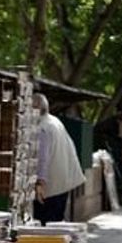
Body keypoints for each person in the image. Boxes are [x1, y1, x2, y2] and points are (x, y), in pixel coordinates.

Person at [33, 93, 86, 224]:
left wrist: (40, 183)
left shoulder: (42, 128)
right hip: (63, 183)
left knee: (47, 226)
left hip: (50, 187)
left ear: (36, 108)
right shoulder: (55, 121)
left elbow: (42, 158)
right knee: (57, 223)